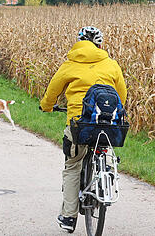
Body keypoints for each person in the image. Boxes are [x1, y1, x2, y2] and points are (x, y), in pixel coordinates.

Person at [39, 26, 127, 233]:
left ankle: (69, 217)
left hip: (79, 124)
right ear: (99, 45)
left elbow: (52, 91)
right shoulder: (111, 64)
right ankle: (104, 175)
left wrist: (47, 106)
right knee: (104, 149)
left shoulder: (69, 65)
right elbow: (121, 95)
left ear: (79, 42)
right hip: (108, 124)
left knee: (73, 165)